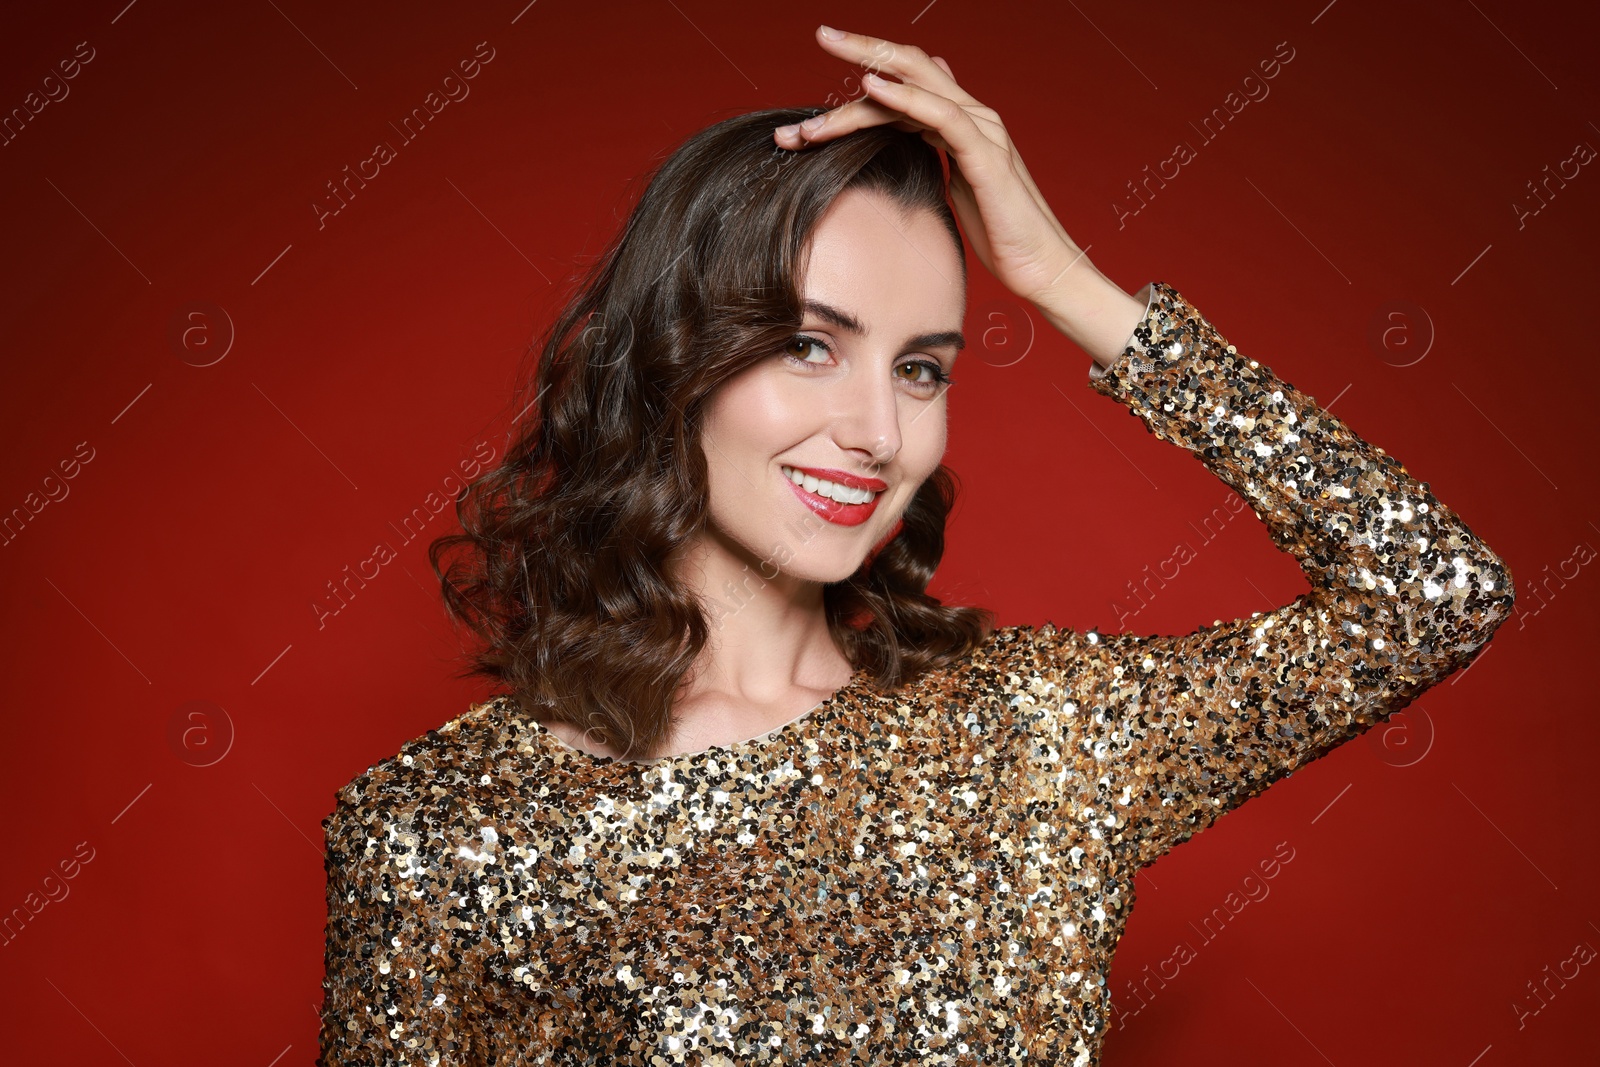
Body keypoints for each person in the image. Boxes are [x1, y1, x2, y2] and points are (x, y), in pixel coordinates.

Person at [316, 25, 1516, 1067]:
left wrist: (1062, 279)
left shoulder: (1044, 732)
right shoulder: (441, 832)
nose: (880, 431)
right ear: (670, 360)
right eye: (807, 344)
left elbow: (1434, 588)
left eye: (922, 366)